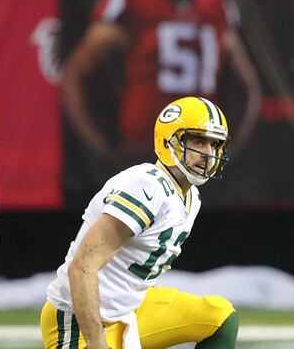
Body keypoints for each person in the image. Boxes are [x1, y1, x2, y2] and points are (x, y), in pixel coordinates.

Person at [41, 96, 238, 349]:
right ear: (171, 141)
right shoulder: (146, 186)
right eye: (199, 142)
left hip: (129, 309)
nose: (208, 154)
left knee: (220, 318)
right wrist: (96, 344)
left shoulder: (190, 197)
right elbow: (82, 266)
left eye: (215, 145)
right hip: (78, 322)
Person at [62, 0, 261, 170]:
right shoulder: (130, 1)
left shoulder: (215, 6)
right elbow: (76, 74)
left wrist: (232, 144)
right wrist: (100, 144)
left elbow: (248, 85)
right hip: (143, 148)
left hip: (199, 149)